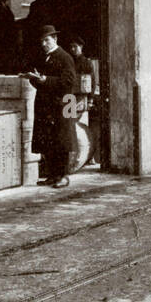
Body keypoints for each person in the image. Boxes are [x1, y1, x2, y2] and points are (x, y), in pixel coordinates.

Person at [26, 25, 78, 187]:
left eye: (47, 40)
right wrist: (34, 79)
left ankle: (63, 176)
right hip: (46, 104)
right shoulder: (43, 57)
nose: (44, 44)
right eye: (41, 41)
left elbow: (69, 81)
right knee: (48, 140)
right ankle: (52, 175)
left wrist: (45, 80)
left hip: (62, 104)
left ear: (55, 39)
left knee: (62, 140)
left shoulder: (65, 57)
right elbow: (39, 79)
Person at [67, 35, 98, 166]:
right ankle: (73, 155)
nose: (73, 49)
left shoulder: (86, 62)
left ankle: (88, 156)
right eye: (71, 47)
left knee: (82, 126)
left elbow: (92, 82)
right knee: (69, 124)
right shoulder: (68, 61)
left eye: (75, 46)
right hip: (69, 97)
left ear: (81, 47)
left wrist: (90, 100)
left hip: (81, 98)